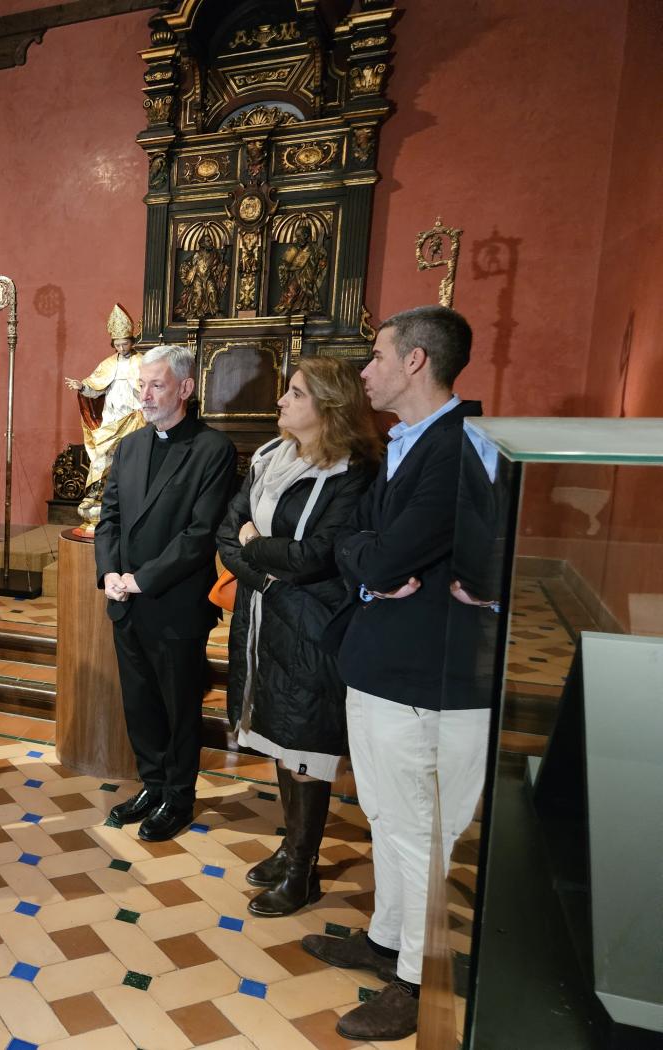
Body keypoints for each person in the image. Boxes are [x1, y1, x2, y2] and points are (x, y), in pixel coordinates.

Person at [300, 306, 486, 1042]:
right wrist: (374, 562)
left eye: (376, 356)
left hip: (426, 677)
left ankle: (414, 977)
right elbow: (358, 543)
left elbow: (372, 556)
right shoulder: (405, 443)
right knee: (383, 814)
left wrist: (374, 562)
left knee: (417, 832)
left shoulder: (459, 448)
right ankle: (384, 937)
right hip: (382, 664)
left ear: (415, 361)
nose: (365, 370)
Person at [215, 357, 380, 917]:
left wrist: (256, 549)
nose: (282, 401)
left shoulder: (353, 473)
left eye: (295, 393)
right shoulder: (268, 456)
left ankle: (304, 871)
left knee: (305, 744)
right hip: (264, 619)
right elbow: (227, 533)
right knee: (280, 736)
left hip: (312, 625)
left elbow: (315, 557)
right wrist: (264, 562)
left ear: (328, 408)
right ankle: (290, 849)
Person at [95, 344, 237, 842]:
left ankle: (178, 796)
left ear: (185, 388)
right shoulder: (130, 446)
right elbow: (108, 517)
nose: (145, 395)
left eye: (156, 385)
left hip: (174, 606)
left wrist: (141, 579)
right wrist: (108, 573)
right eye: (141, 386)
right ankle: (152, 785)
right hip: (125, 603)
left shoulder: (213, 450)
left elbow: (199, 536)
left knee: (179, 709)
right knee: (140, 703)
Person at [65, 304, 147, 530]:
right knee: (102, 455)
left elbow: (149, 388)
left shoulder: (142, 362)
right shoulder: (108, 364)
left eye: (125, 343)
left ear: (132, 341)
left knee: (133, 457)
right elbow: (96, 387)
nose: (121, 348)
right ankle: (95, 493)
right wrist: (82, 386)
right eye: (118, 344)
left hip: (134, 417)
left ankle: (132, 497)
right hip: (112, 419)